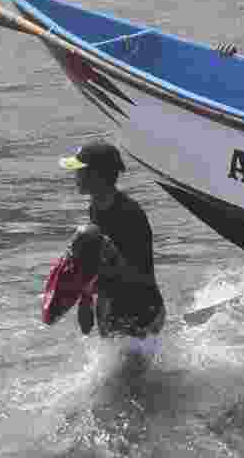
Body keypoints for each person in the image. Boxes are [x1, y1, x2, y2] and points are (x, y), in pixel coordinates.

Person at [59, 140, 166, 342]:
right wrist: (85, 300)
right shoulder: (95, 207)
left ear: (96, 176)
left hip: (141, 309)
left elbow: (136, 274)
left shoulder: (129, 215)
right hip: (112, 304)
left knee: (132, 373)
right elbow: (94, 262)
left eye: (79, 171)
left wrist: (105, 252)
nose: (75, 177)